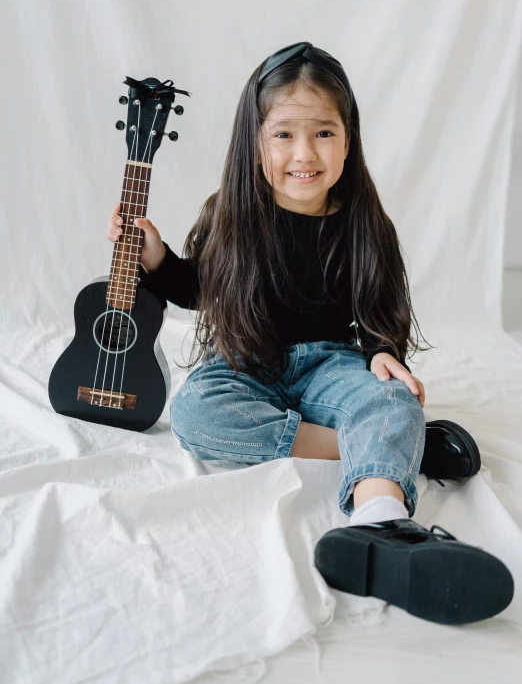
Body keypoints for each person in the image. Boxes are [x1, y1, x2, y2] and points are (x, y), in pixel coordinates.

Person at [107, 42, 514, 625]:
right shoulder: (229, 213)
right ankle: (389, 445)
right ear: (254, 141)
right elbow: (201, 291)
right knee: (196, 411)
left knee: (388, 399)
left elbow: (380, 306)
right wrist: (156, 260)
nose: (305, 154)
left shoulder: (363, 222)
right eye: (283, 136)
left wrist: (382, 354)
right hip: (245, 359)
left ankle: (379, 521)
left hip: (330, 363)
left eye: (323, 133)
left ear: (348, 139)